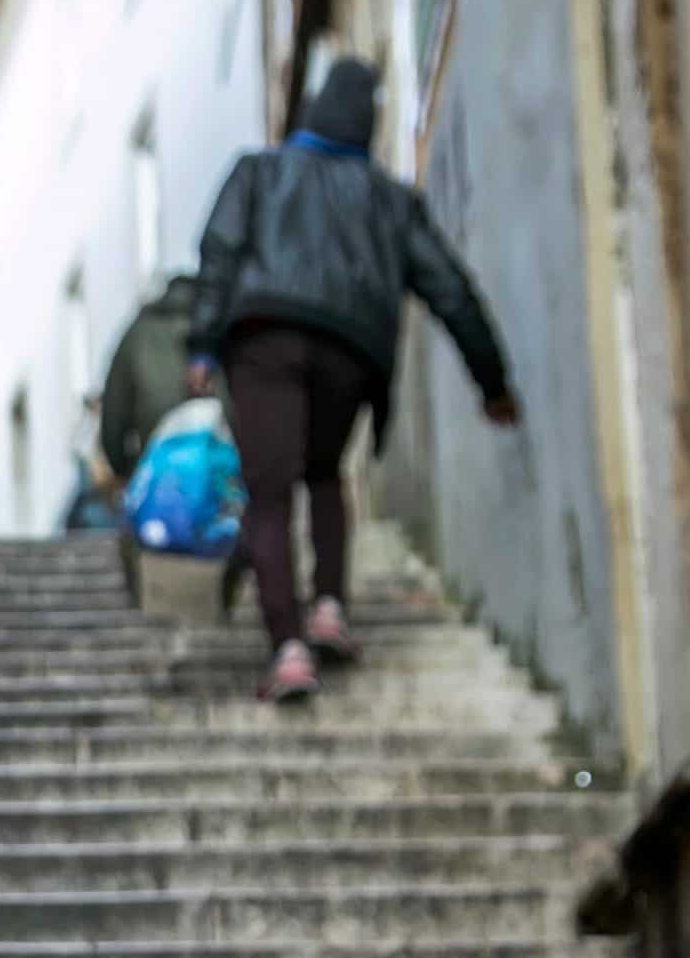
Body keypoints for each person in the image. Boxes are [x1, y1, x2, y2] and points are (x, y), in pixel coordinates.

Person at [185, 57, 518, 701]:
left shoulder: (258, 172)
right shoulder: (390, 201)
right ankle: (329, 607)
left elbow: (218, 251)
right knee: (324, 473)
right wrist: (492, 381)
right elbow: (448, 286)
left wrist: (202, 346)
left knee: (269, 493)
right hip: (350, 350)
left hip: (266, 338)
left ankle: (288, 650)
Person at [98, 272, 199, 487]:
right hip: (217, 444)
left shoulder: (138, 332)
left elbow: (114, 410)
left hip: (156, 449)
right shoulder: (216, 326)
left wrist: (123, 469)